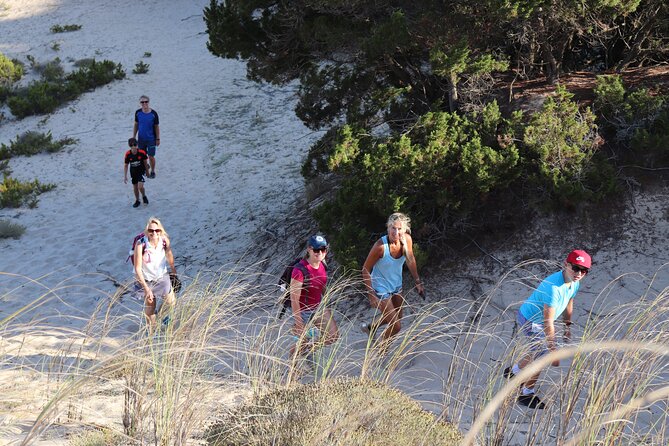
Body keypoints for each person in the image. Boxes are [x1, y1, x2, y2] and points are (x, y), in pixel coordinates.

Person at [503, 249, 592, 409]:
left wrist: (567, 325)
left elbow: (569, 302)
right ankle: (526, 394)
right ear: (566, 265)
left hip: (539, 321)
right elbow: (547, 323)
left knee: (536, 351)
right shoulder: (553, 288)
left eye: (584, 270)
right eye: (576, 268)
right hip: (530, 320)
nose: (579, 273)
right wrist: (553, 351)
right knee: (541, 356)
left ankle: (513, 372)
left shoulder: (575, 282)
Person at [361, 212, 424, 346]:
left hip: (396, 284)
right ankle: (382, 351)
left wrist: (417, 282)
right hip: (380, 287)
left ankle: (370, 327)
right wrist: (371, 295)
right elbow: (365, 269)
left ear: (405, 229)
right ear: (388, 228)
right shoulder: (380, 247)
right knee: (396, 326)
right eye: (393, 228)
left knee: (398, 316)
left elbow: (411, 259)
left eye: (399, 228)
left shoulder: (407, 239)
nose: (396, 232)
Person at [289, 235, 339, 358]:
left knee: (332, 336)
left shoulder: (323, 264)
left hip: (319, 307)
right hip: (303, 311)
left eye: (323, 250)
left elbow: (321, 285)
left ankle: (309, 350)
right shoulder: (299, 271)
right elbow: (294, 299)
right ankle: (292, 363)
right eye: (316, 250)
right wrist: (299, 322)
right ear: (309, 250)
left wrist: (327, 301)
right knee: (301, 344)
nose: (320, 253)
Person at [134, 217, 177, 329]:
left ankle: (164, 319)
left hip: (162, 277)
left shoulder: (164, 240)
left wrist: (173, 270)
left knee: (171, 302)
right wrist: (146, 288)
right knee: (151, 308)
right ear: (147, 231)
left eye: (157, 230)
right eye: (151, 230)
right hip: (147, 280)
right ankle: (151, 332)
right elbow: (138, 268)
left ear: (160, 231)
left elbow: (169, 254)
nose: (154, 233)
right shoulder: (141, 244)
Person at [132, 95, 160, 178]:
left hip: (151, 139)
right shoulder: (138, 113)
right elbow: (136, 125)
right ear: (140, 103)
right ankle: (146, 166)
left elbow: (156, 127)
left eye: (146, 101)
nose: (144, 103)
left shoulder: (153, 114)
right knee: (142, 156)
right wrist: (133, 136)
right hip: (141, 139)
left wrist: (158, 138)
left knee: (151, 156)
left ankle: (153, 171)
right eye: (142, 102)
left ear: (148, 102)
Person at [123, 138, 149, 208]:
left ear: (137, 145)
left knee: (140, 186)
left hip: (141, 170)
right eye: (132, 145)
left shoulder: (142, 152)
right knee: (135, 187)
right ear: (129, 146)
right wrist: (125, 176)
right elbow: (126, 165)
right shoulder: (128, 154)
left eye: (135, 145)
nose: (134, 147)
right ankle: (137, 200)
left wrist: (147, 172)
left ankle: (144, 196)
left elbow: (145, 163)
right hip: (133, 172)